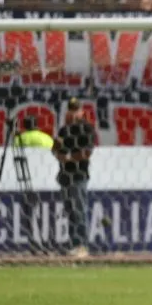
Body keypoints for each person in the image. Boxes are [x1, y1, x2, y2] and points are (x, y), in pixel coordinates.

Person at [53, 98, 95, 258]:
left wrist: (68, 157)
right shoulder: (64, 130)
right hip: (65, 174)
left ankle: (82, 245)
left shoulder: (87, 129)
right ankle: (74, 244)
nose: (73, 112)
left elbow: (88, 152)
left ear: (81, 111)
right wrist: (58, 152)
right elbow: (55, 149)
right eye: (71, 109)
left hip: (79, 175)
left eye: (76, 109)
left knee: (80, 210)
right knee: (70, 211)